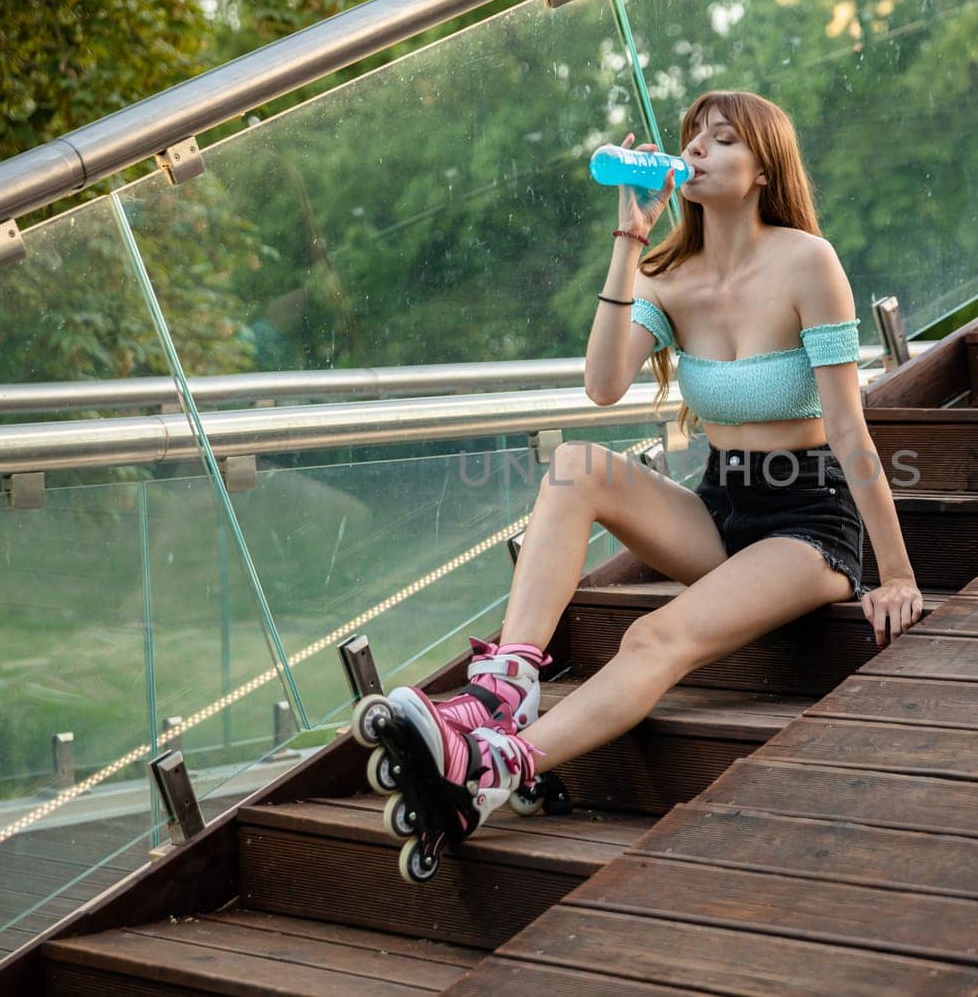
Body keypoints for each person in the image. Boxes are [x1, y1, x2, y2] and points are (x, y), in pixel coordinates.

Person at [371, 91, 926, 869]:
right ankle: (503, 688)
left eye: (721, 140)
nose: (696, 150)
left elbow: (848, 428)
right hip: (723, 504)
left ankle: (500, 766)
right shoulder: (670, 274)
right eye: (691, 137)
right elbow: (603, 385)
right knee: (575, 466)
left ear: (763, 167)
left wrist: (894, 571)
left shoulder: (808, 262)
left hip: (809, 521)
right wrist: (630, 242)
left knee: (652, 634)